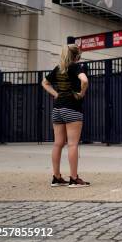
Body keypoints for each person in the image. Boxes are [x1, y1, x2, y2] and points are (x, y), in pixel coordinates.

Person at [41, 44, 90, 188]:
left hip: (57, 109)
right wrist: (82, 92)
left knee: (58, 143)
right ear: (76, 56)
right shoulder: (75, 67)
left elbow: (44, 82)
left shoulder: (58, 68)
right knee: (73, 144)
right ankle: (74, 179)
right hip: (72, 108)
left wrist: (56, 94)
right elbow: (85, 80)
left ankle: (56, 177)